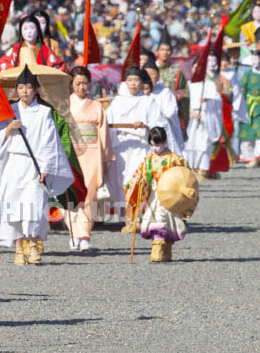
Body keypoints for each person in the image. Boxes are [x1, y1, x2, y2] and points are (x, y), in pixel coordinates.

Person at [0, 66, 75, 265]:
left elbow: (50, 142)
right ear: (16, 89)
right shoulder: (9, 111)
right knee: (13, 206)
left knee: (33, 206)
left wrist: (46, 167)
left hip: (34, 164)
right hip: (13, 164)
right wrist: (8, 129)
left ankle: (32, 244)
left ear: (35, 89)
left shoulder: (44, 112)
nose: (24, 91)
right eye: (21, 87)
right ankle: (18, 249)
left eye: (28, 87)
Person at [124, 127, 196, 262]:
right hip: (154, 194)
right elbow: (139, 174)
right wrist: (137, 181)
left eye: (157, 144)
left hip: (171, 194)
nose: (155, 148)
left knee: (168, 220)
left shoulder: (174, 159)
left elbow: (186, 175)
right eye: (152, 145)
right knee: (156, 218)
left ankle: (164, 249)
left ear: (165, 142)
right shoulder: (148, 159)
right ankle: (158, 248)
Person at [106, 65, 164, 229]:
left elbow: (159, 124)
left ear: (141, 82)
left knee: (138, 181)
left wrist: (146, 125)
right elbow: (106, 123)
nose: (133, 84)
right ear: (125, 82)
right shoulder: (117, 102)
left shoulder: (147, 101)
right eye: (130, 80)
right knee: (120, 182)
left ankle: (136, 217)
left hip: (139, 147)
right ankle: (125, 217)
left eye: (136, 80)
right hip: (121, 147)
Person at [66, 65, 111, 251]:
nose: (82, 87)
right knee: (70, 194)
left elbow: (103, 134)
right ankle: (73, 233)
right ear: (71, 84)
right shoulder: (65, 105)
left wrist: (105, 158)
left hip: (92, 153)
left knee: (89, 195)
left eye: (85, 83)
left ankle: (84, 235)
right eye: (78, 83)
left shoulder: (97, 106)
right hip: (70, 153)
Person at [184, 55, 225, 178]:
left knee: (203, 144)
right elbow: (183, 102)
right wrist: (191, 112)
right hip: (191, 118)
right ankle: (191, 168)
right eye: (194, 67)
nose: (196, 70)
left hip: (206, 117)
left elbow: (218, 101)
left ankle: (203, 169)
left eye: (199, 67)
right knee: (190, 144)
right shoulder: (188, 84)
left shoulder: (209, 84)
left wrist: (208, 100)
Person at [238, 53, 260, 166]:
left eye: (256, 58)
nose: (254, 61)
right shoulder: (247, 75)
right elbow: (241, 90)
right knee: (247, 129)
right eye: (252, 58)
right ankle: (248, 156)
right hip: (248, 105)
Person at [144, 58, 184, 156]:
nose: (149, 78)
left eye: (153, 75)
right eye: (147, 75)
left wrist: (156, 119)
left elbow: (170, 112)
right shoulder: (140, 94)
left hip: (162, 135)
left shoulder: (165, 92)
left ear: (158, 77)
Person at [0, 15, 64, 72]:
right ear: (21, 31)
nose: (29, 32)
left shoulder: (45, 50)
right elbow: (3, 63)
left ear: (38, 30)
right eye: (25, 28)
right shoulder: (15, 49)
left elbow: (57, 66)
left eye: (32, 28)